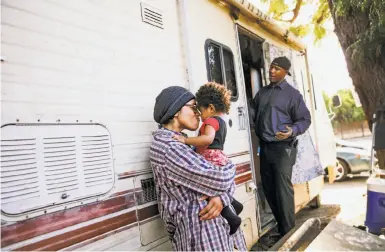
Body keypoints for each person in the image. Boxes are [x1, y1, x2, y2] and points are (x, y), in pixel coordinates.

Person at [150, 86, 247, 251]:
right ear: (175, 111)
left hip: (212, 231)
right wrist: (230, 166)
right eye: (193, 106)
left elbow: (217, 180)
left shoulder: (182, 143)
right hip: (203, 236)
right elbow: (220, 179)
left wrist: (221, 198)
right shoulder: (170, 148)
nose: (198, 112)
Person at [173, 82, 243, 235]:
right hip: (218, 156)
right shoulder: (221, 122)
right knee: (214, 188)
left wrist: (185, 141)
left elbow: (207, 140)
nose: (198, 113)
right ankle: (234, 204)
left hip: (210, 157)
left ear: (211, 108)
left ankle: (232, 218)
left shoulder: (210, 121)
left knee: (209, 188)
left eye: (200, 110)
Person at [252, 56, 311, 237]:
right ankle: (282, 228)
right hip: (266, 147)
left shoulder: (292, 95)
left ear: (286, 72)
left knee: (282, 190)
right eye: (271, 67)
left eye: (277, 68)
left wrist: (292, 131)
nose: (272, 71)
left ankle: (289, 233)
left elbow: (305, 119)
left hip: (283, 147)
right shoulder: (261, 93)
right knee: (269, 187)